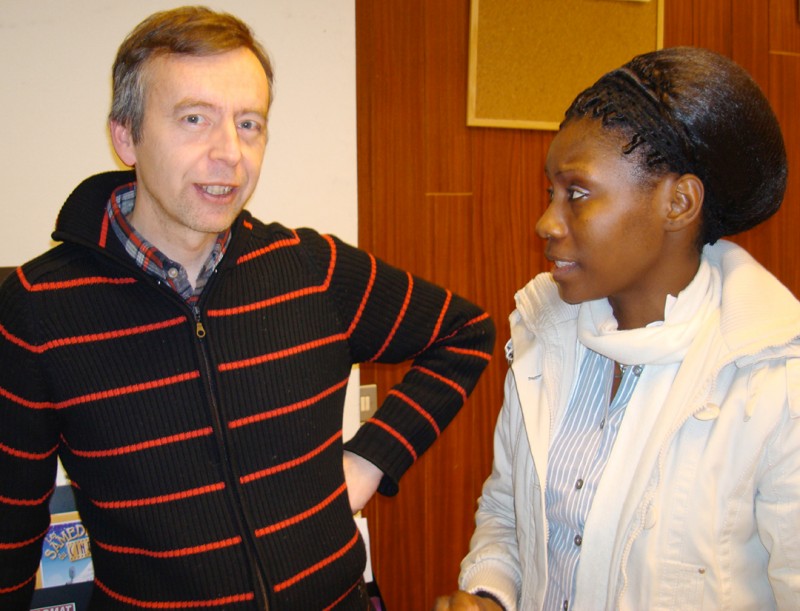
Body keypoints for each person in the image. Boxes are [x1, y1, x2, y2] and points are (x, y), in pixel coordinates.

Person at [0, 7, 495, 610]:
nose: (230, 153)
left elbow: (467, 333)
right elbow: (10, 536)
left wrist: (368, 461)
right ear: (125, 134)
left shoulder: (311, 269)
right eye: (193, 119)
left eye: (250, 124)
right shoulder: (36, 309)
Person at [434, 46, 799, 611]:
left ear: (678, 202)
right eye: (550, 192)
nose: (545, 222)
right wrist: (490, 591)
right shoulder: (542, 335)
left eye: (576, 194)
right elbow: (507, 509)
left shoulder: (774, 383)